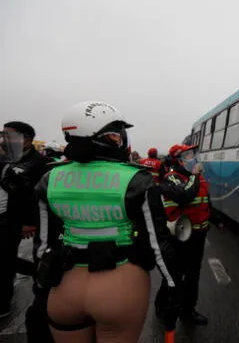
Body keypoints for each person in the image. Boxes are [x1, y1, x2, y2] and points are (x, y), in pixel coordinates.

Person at [34, 101, 182, 343]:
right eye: (117, 134)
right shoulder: (136, 179)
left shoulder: (49, 178)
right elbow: (158, 245)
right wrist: (173, 288)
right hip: (120, 285)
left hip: (64, 286)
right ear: (108, 137)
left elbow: (43, 246)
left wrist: (40, 288)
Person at [0, 121, 51, 320]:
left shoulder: (38, 163)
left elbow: (38, 196)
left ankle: (3, 303)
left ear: (27, 140)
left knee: (4, 262)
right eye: (3, 135)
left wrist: (30, 221)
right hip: (4, 215)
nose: (5, 140)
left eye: (9, 136)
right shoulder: (5, 159)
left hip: (14, 220)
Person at [155, 143, 210, 326]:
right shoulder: (171, 178)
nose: (193, 157)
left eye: (193, 153)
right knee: (174, 275)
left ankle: (188, 311)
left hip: (198, 236)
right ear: (178, 159)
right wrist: (194, 175)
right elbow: (184, 196)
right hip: (179, 237)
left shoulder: (199, 179)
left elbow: (205, 201)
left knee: (193, 276)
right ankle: (163, 307)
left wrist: (216, 220)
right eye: (188, 155)